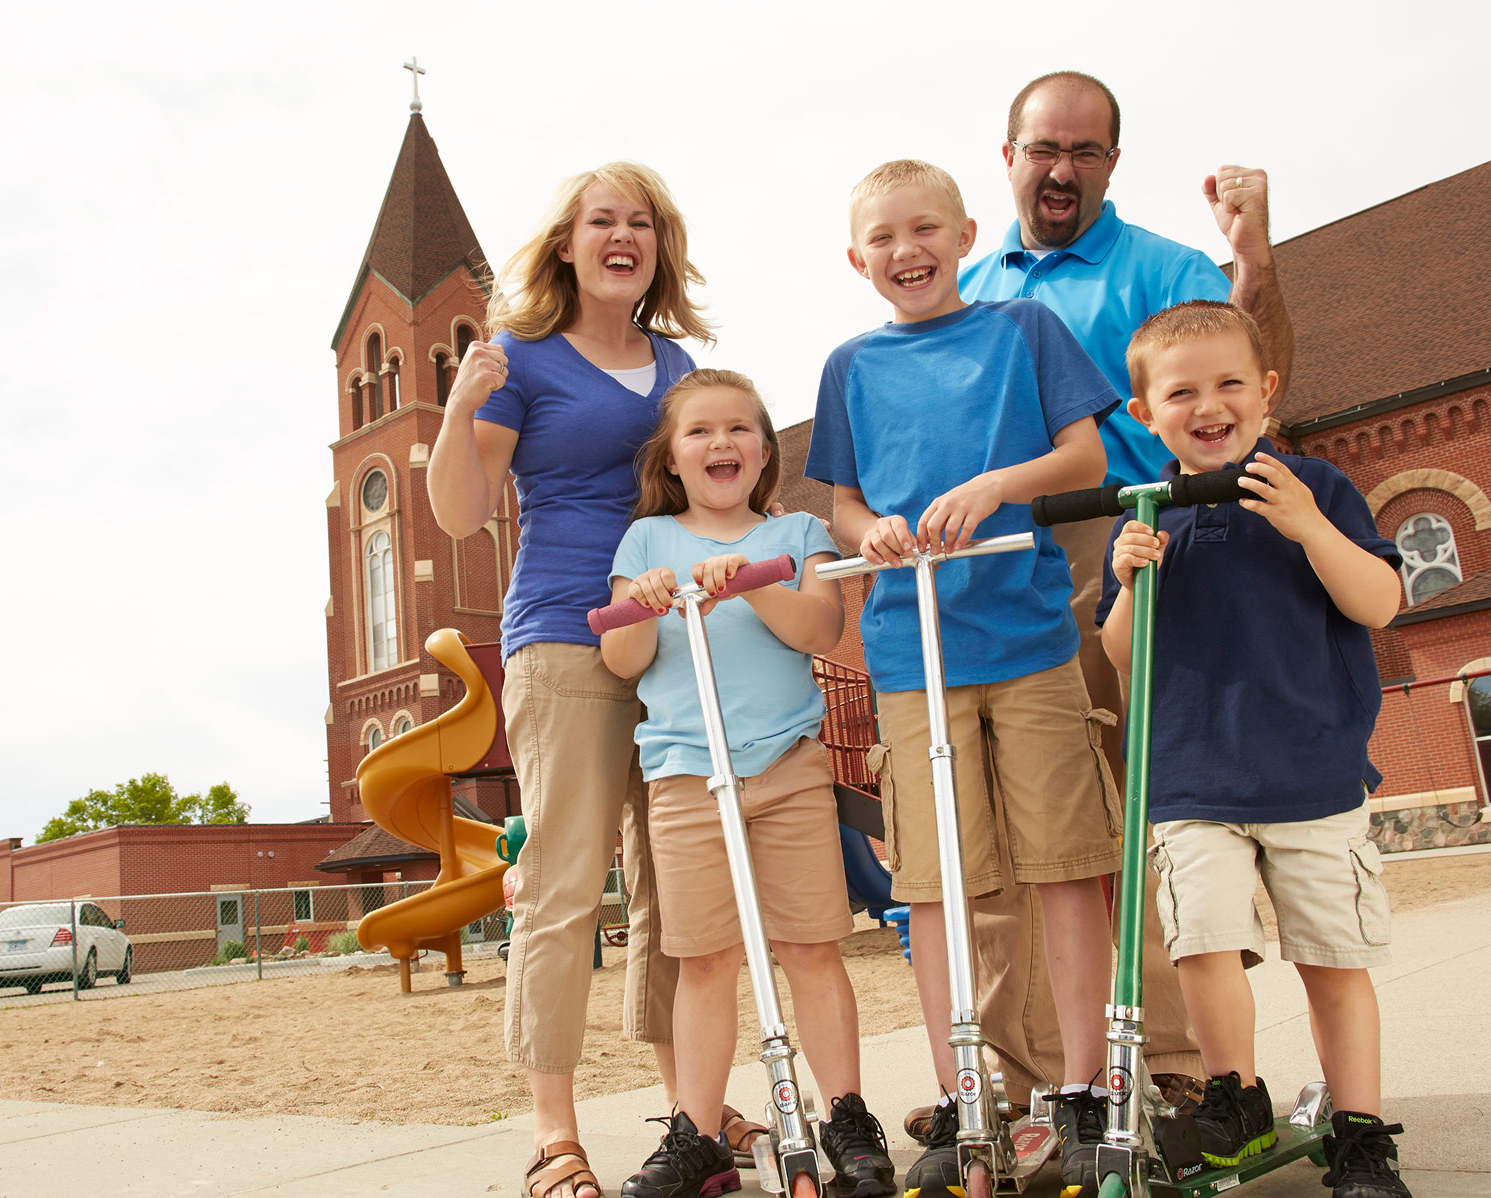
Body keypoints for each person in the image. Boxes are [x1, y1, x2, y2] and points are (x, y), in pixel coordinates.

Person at [948, 69, 1297, 1122]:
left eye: (1085, 151)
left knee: (1141, 814)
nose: (1062, 169)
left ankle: (1181, 1073)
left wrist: (1257, 264)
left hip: (1132, 541)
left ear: (1111, 162)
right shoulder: (964, 292)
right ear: (1007, 156)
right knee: (1015, 838)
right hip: (1001, 565)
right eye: (1043, 148)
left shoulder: (1162, 268)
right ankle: (1037, 1085)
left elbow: (1264, 379)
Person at [805, 159, 1121, 1198]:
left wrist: (995, 485)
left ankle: (1081, 1089)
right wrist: (876, 529)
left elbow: (1083, 456)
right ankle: (965, 1094)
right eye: (884, 238)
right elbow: (843, 508)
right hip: (912, 658)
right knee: (937, 886)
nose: (907, 250)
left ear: (965, 232)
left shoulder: (1022, 330)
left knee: (1065, 866)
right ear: (859, 259)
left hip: (1026, 642)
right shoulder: (850, 365)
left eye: (926, 228)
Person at [426, 162, 728, 1198]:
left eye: (640, 222)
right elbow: (462, 513)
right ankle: (554, 1134)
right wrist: (460, 413)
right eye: (602, 220)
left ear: (658, 243)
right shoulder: (522, 357)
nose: (622, 235)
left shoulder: (677, 360)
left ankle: (685, 1110)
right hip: (563, 635)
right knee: (563, 890)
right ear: (566, 242)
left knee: (671, 888)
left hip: (674, 639)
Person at [1098, 301, 1410, 1197]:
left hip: (1311, 772)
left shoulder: (1315, 486)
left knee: (1331, 960)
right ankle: (1233, 1094)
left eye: (1230, 382)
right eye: (1181, 391)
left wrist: (1310, 526)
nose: (1209, 404)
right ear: (1144, 413)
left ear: (1265, 392)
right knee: (1203, 943)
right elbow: (1122, 654)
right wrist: (1126, 583)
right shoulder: (1149, 513)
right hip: (1190, 779)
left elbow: (1379, 604)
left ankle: (1357, 1130)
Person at [601, 368, 896, 1198]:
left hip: (785, 768)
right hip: (687, 777)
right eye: (699, 431)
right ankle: (696, 1130)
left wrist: (751, 582)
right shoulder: (647, 544)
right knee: (703, 959)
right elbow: (620, 660)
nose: (720, 442)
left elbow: (820, 628)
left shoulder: (797, 532)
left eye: (738, 428)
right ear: (671, 456)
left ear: (764, 452)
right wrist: (648, 609)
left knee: (809, 944)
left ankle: (844, 1113)